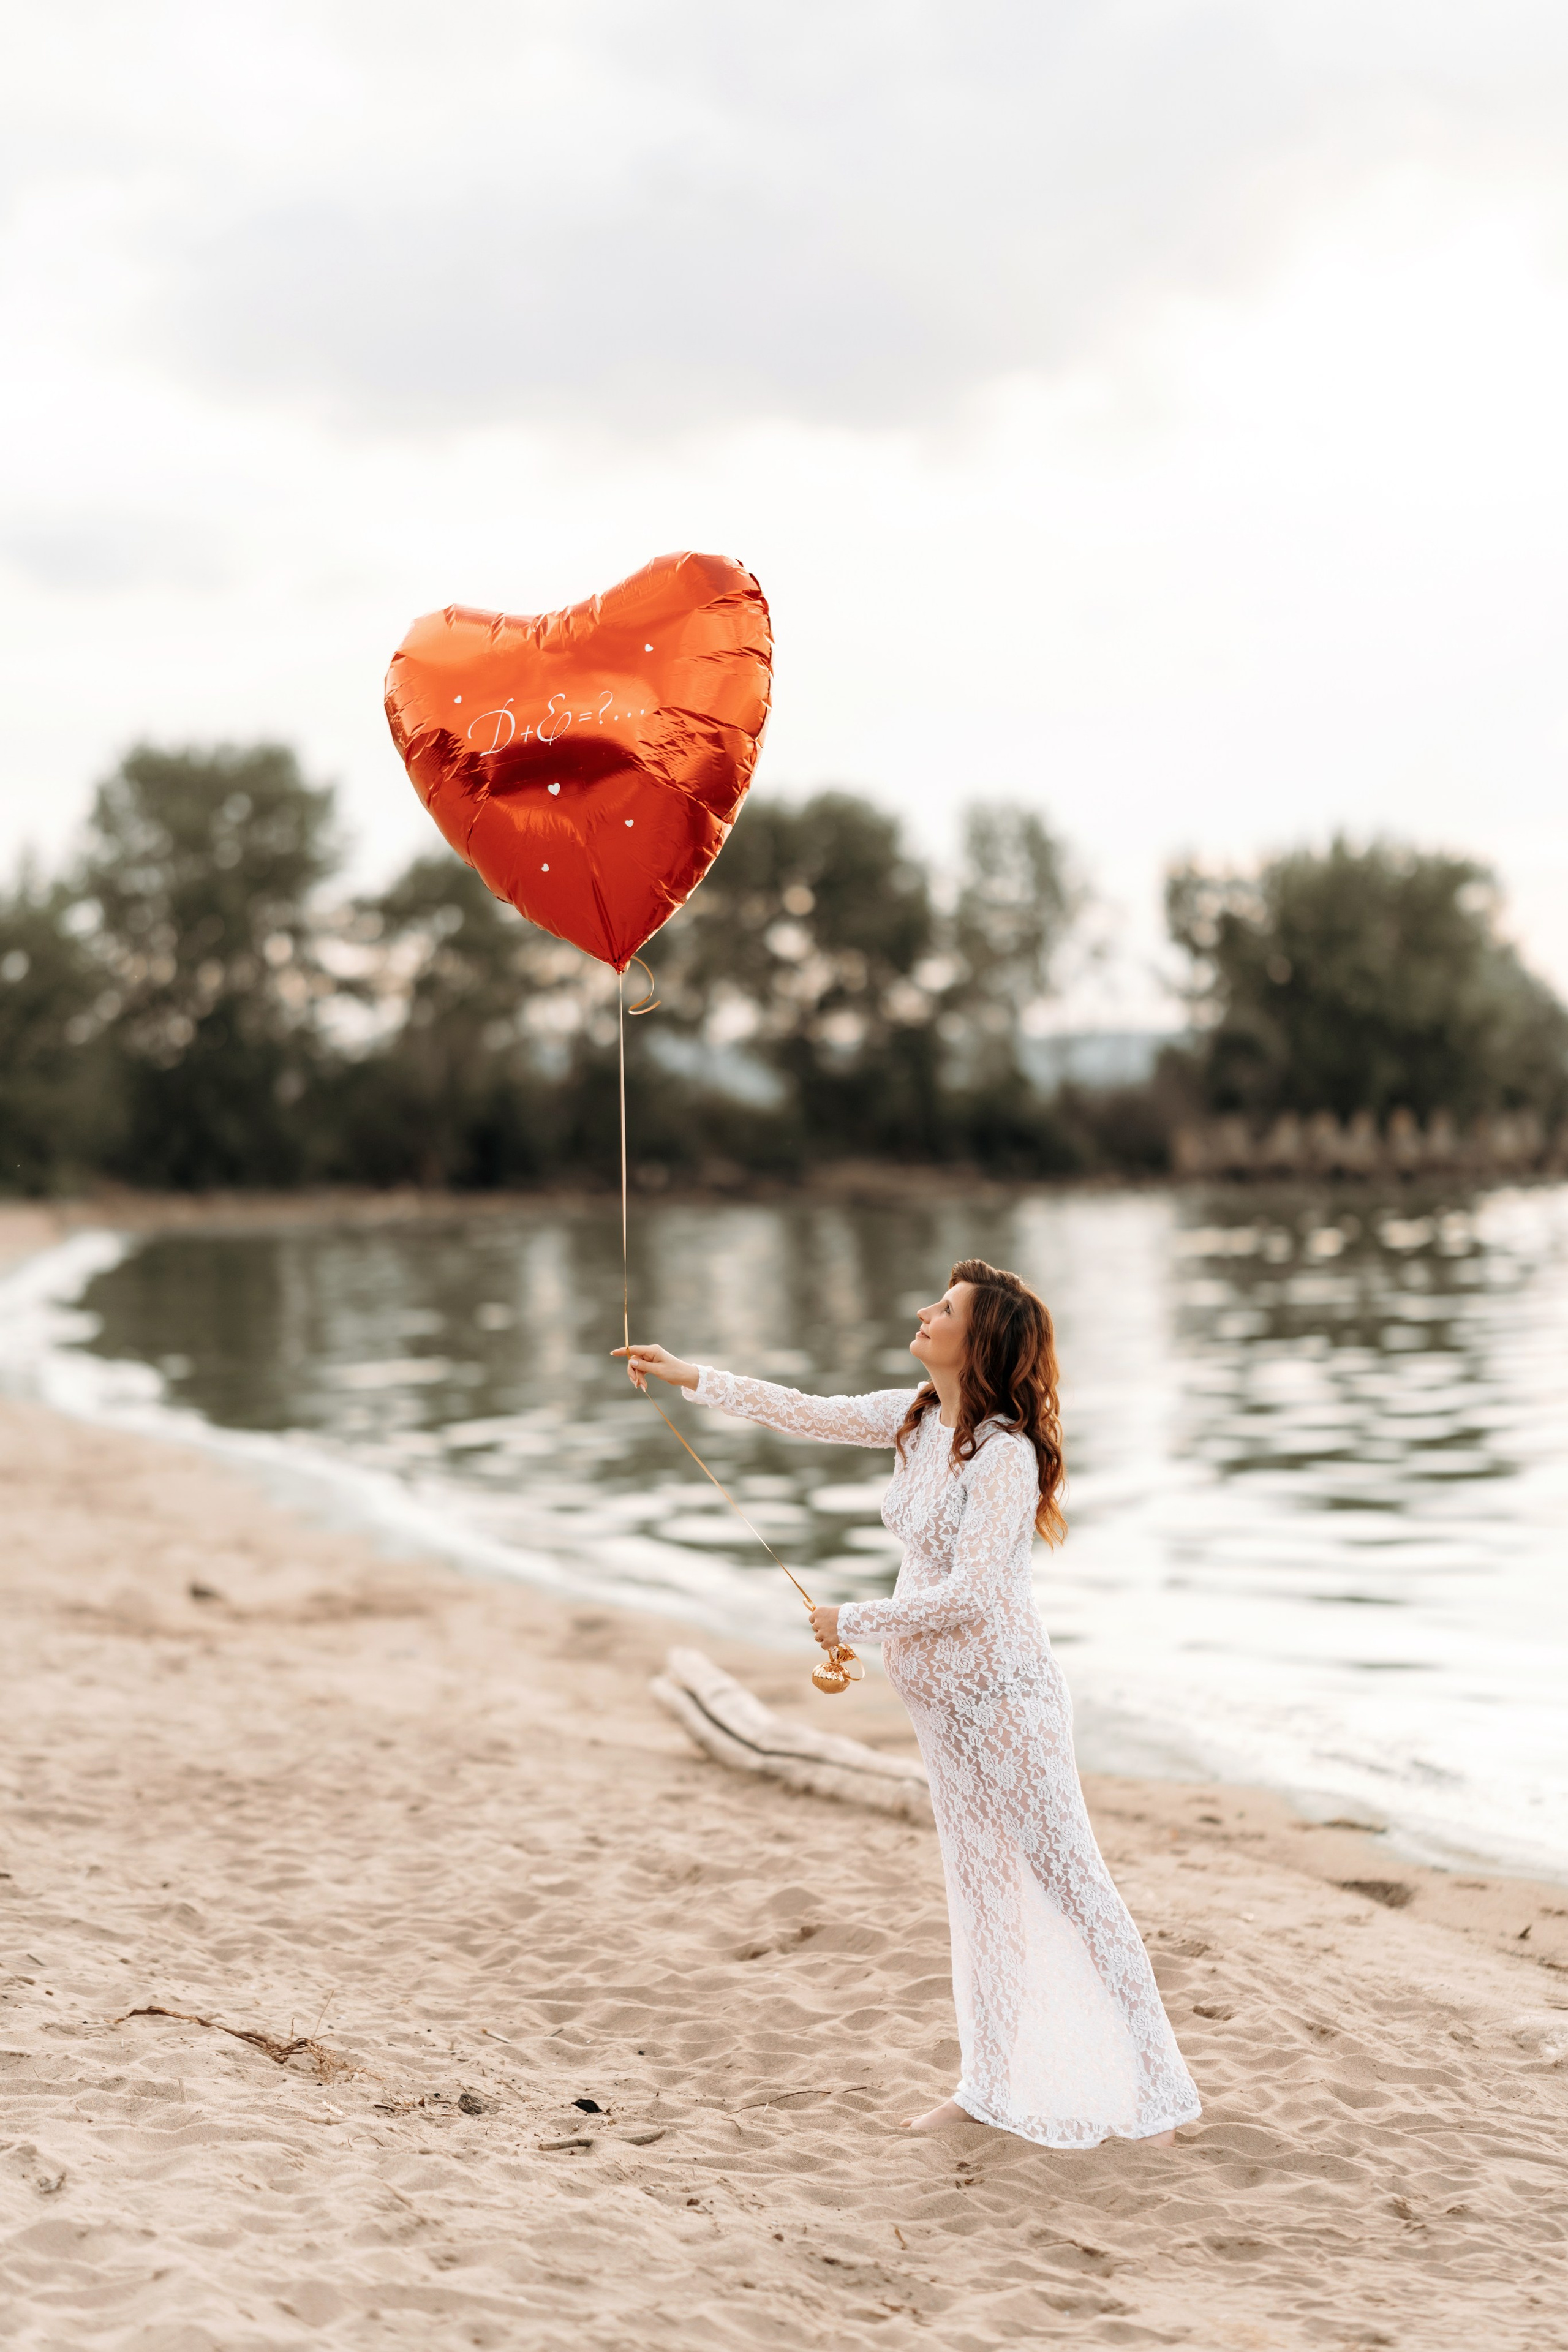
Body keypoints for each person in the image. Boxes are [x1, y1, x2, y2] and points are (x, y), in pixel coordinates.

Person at [614, 1257, 1201, 2151]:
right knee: (982, 1896)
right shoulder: (917, 1417)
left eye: (948, 1308)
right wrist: (686, 1374)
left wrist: (854, 1619)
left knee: (1076, 1889)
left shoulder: (1005, 1455)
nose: (925, 1312)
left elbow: (974, 1597)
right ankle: (990, 2088)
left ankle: (1158, 2097)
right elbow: (803, 1410)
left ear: (983, 1341)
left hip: (1008, 1700)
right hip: (943, 1711)